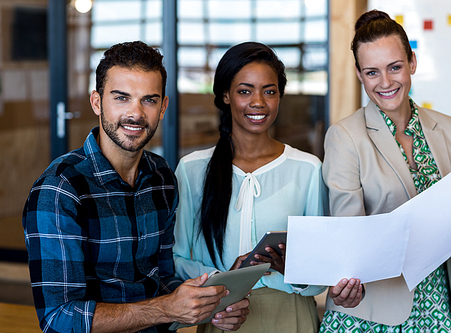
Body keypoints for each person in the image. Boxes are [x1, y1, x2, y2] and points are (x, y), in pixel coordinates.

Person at [22, 41, 250, 333]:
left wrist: (212, 306)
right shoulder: (60, 189)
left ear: (163, 107)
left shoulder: (162, 177)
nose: (136, 113)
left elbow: (164, 278)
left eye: (149, 100)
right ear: (96, 102)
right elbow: (59, 318)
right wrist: (165, 308)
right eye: (121, 98)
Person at [319, 10, 451, 333]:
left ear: (412, 63)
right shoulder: (345, 137)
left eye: (395, 67)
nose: (385, 82)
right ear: (360, 75)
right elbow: (350, 238)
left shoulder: (450, 129)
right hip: (372, 310)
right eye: (372, 72)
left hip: (438, 304)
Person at [173, 41, 328, 333]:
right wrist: (223, 277)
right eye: (245, 91)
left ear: (280, 96)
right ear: (225, 96)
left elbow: (321, 271)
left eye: (269, 91)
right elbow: (176, 259)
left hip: (291, 316)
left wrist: (294, 269)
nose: (258, 102)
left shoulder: (308, 169)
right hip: (222, 314)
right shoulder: (192, 169)